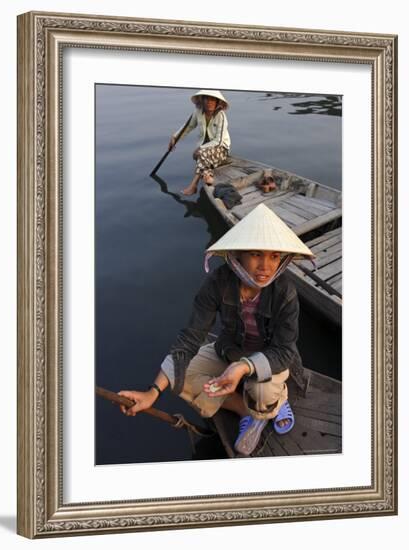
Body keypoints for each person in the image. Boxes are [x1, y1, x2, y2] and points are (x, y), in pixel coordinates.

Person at [119, 204, 314, 456]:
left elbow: (284, 351)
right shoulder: (217, 283)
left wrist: (243, 367)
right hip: (228, 350)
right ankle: (248, 411)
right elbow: (190, 337)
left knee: (263, 390)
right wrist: (152, 393)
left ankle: (275, 402)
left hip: (270, 356)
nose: (266, 266)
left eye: (274, 256)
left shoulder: (285, 291)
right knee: (180, 378)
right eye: (256, 254)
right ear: (238, 255)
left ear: (282, 259)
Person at [168, 90, 231, 196]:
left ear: (217, 102)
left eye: (212, 99)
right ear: (202, 100)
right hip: (206, 151)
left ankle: (193, 186)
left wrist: (201, 148)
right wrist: (175, 137)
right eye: (206, 99)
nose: (209, 102)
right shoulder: (198, 112)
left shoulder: (221, 116)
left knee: (200, 154)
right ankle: (208, 174)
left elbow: (219, 141)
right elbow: (188, 126)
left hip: (221, 148)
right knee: (201, 155)